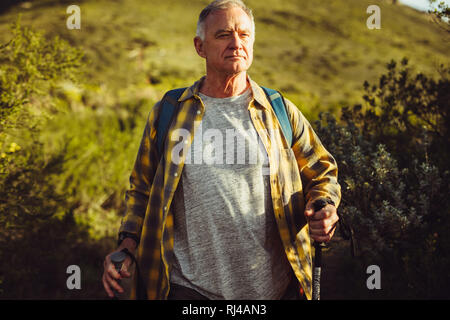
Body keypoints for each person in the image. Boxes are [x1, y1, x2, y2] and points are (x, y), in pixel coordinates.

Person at [102, 0, 341, 300]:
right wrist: (126, 246)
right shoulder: (169, 112)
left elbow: (321, 171)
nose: (236, 43)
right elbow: (141, 190)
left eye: (244, 34)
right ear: (199, 46)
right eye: (223, 34)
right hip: (189, 289)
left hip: (275, 290)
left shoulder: (279, 110)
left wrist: (325, 206)